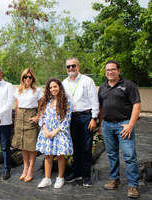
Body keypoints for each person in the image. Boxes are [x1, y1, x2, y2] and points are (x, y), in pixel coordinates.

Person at [98, 60, 141, 199]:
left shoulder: (128, 85)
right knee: (111, 154)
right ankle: (114, 179)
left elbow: (137, 105)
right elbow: (100, 107)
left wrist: (130, 125)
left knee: (129, 156)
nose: (110, 72)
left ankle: (133, 186)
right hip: (107, 125)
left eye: (113, 69)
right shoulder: (103, 87)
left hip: (123, 125)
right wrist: (100, 125)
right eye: (107, 70)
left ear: (118, 70)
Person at [62, 57, 99, 187]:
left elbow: (94, 100)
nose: (71, 68)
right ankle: (76, 172)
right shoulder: (64, 83)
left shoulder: (87, 81)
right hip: (71, 118)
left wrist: (94, 118)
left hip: (86, 117)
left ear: (78, 66)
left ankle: (86, 176)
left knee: (86, 148)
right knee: (75, 147)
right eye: (68, 67)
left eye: (73, 66)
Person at [36, 78, 73, 189]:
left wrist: (54, 132)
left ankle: (60, 178)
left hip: (59, 132)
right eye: (50, 87)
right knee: (48, 155)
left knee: (60, 156)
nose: (53, 89)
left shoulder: (66, 101)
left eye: (55, 86)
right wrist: (46, 130)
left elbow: (67, 119)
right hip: (47, 132)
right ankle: (47, 179)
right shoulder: (46, 101)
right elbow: (41, 117)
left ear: (60, 87)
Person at [11, 68, 43, 182]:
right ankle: (25, 168)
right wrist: (15, 121)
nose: (27, 79)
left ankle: (31, 169)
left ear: (32, 78)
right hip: (20, 118)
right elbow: (17, 106)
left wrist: (38, 117)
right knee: (24, 146)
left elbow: (41, 106)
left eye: (30, 77)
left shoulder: (37, 91)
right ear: (22, 78)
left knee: (31, 146)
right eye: (25, 77)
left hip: (31, 117)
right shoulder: (18, 90)